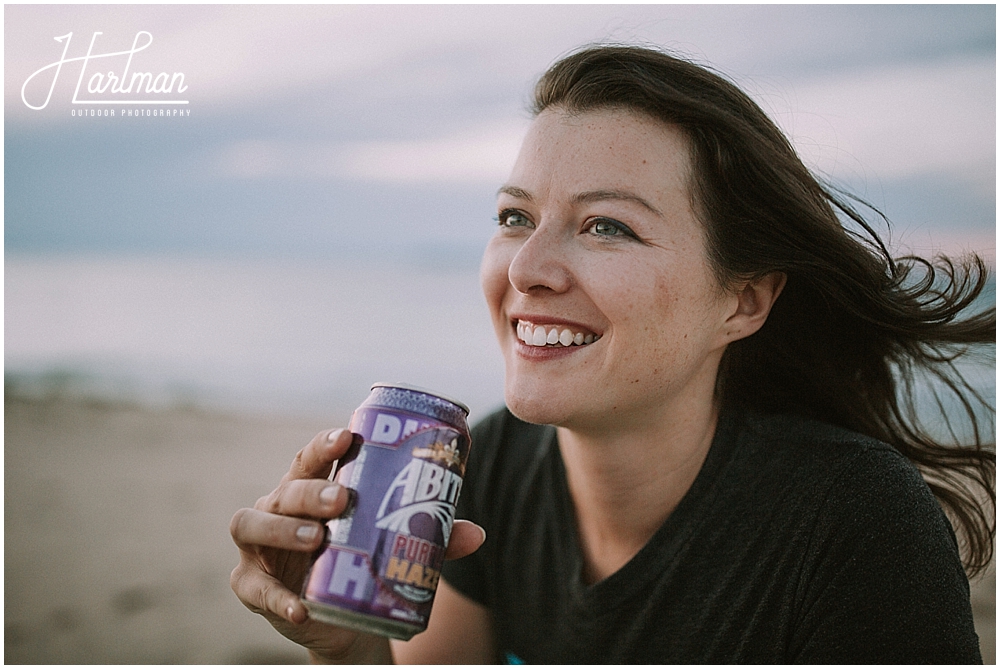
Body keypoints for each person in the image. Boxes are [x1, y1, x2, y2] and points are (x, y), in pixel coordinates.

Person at [229, 45, 994, 663]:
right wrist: (350, 646)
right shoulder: (489, 461)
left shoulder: (856, 523)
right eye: (513, 215)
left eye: (607, 226)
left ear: (745, 300)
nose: (527, 267)